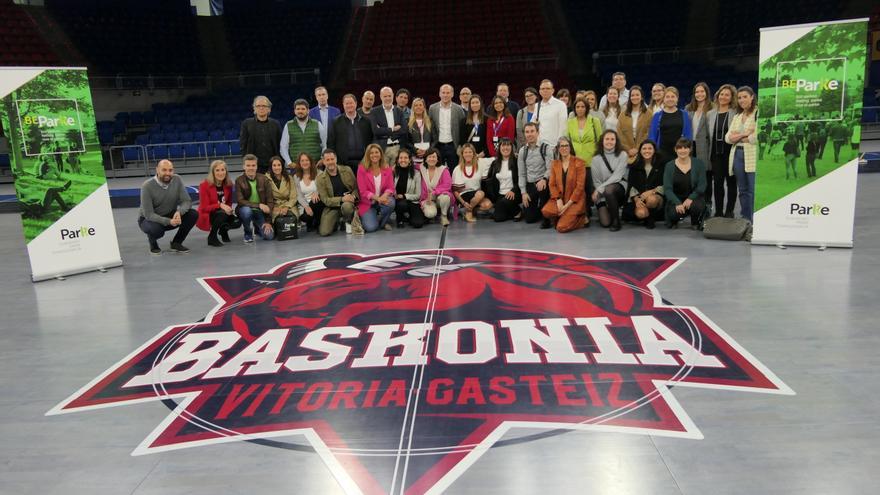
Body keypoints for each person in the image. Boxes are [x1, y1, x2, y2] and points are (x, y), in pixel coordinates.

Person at [138, 159, 198, 254]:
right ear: (157, 170)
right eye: (164, 170)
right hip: (148, 219)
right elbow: (148, 214)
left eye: (170, 170)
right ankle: (153, 242)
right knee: (156, 230)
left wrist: (179, 212)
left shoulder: (177, 179)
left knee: (193, 214)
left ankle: (176, 243)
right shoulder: (147, 186)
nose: (168, 173)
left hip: (170, 214)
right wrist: (168, 221)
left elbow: (186, 201)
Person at [703, 84, 737, 217]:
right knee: (717, 184)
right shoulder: (710, 114)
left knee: (731, 183)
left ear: (731, 97)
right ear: (717, 96)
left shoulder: (735, 113)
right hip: (715, 154)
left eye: (727, 95)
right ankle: (718, 212)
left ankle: (729, 211)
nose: (723, 97)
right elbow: (707, 136)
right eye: (721, 94)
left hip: (731, 153)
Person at [725, 86, 758, 222]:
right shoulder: (737, 116)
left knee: (752, 189)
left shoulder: (758, 113)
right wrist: (745, 133)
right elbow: (728, 138)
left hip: (752, 156)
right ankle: (746, 218)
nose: (742, 100)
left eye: (745, 96)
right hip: (737, 155)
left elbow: (757, 137)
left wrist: (739, 136)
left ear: (752, 97)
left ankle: (755, 218)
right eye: (739, 97)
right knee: (743, 189)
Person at [542, 136, 587, 232]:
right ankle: (565, 216)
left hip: (575, 200)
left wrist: (566, 206)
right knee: (545, 211)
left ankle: (582, 219)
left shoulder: (579, 163)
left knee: (561, 227)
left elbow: (580, 187)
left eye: (566, 146)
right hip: (561, 199)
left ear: (570, 147)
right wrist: (558, 200)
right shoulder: (555, 164)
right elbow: (552, 185)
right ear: (558, 149)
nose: (564, 148)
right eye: (561, 146)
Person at [316, 149, 363, 236]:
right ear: (323, 161)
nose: (330, 162)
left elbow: (356, 188)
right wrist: (342, 199)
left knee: (347, 206)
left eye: (332, 159)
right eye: (327, 160)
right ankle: (338, 222)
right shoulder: (320, 179)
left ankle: (348, 221)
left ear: (336, 159)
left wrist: (353, 196)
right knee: (324, 232)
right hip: (332, 207)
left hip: (348, 204)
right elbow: (326, 200)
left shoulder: (347, 170)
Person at [663, 138, 707, 229]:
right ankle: (675, 220)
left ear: (690, 149)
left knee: (697, 207)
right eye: (679, 148)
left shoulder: (699, 164)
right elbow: (667, 189)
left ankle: (695, 221)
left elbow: (702, 185)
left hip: (694, 198)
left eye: (685, 147)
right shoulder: (669, 166)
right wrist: (677, 203)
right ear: (675, 149)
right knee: (673, 214)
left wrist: (691, 198)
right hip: (676, 198)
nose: (682, 150)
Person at [518, 122, 555, 227]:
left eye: (532, 131)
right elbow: (521, 174)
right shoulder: (522, 151)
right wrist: (523, 193)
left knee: (542, 188)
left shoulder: (546, 148)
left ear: (537, 132)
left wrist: (544, 179)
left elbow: (550, 168)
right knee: (529, 219)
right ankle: (541, 209)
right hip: (530, 184)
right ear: (524, 134)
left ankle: (546, 215)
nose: (530, 134)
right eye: (527, 132)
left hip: (543, 183)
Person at [590, 130, 628, 231]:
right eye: (607, 139)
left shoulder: (623, 155)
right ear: (602, 141)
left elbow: (617, 176)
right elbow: (596, 181)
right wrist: (600, 194)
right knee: (605, 222)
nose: (609, 142)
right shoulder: (595, 159)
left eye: (612, 139)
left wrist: (599, 190)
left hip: (619, 187)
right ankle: (610, 210)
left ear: (616, 141)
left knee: (609, 190)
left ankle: (616, 221)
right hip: (602, 192)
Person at [622, 140, 665, 229]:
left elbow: (665, 184)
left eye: (650, 148)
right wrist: (636, 199)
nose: (647, 151)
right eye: (644, 149)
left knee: (651, 199)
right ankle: (648, 217)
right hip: (640, 197)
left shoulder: (662, 165)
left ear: (654, 150)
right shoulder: (634, 166)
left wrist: (651, 192)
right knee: (641, 214)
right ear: (640, 151)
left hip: (657, 197)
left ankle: (651, 219)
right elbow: (631, 185)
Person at [327, 93, 373, 172]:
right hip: (343, 164)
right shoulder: (336, 122)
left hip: (363, 163)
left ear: (356, 103)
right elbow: (331, 143)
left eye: (351, 103)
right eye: (346, 103)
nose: (349, 105)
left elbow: (370, 140)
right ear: (343, 105)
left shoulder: (366, 121)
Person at [234, 154, 275, 242]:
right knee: (247, 212)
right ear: (244, 167)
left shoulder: (264, 179)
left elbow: (270, 200)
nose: (251, 168)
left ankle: (257, 228)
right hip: (245, 210)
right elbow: (240, 201)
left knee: (269, 236)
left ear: (257, 166)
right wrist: (259, 205)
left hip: (259, 212)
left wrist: (268, 222)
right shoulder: (239, 180)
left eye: (253, 165)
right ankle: (248, 233)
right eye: (248, 165)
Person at [197, 159, 238, 247]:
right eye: (217, 170)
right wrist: (220, 205)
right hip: (209, 213)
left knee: (237, 221)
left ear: (226, 171)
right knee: (222, 214)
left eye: (223, 170)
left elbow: (229, 202)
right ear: (213, 172)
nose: (220, 173)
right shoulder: (204, 185)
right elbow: (204, 207)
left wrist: (229, 210)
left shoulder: (228, 185)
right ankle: (212, 237)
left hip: (222, 211)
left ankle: (223, 231)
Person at [357, 143, 396, 232]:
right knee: (371, 228)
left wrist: (384, 195)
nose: (374, 155)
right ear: (368, 155)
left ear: (381, 154)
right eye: (371, 153)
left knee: (391, 203)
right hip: (367, 203)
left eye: (376, 152)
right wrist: (378, 198)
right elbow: (363, 191)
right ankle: (380, 221)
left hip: (382, 199)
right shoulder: (361, 169)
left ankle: (382, 223)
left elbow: (391, 188)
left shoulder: (387, 169)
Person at [239, 95, 282, 174]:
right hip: (254, 166)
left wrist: (279, 162)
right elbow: (243, 145)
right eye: (258, 106)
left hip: (272, 165)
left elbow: (280, 144)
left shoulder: (276, 124)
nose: (261, 108)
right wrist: (246, 162)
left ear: (269, 108)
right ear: (254, 108)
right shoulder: (246, 123)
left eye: (264, 106)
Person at [688, 82, 714, 207]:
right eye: (697, 92)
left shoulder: (713, 108)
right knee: (693, 177)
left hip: (705, 146)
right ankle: (694, 204)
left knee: (706, 177)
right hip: (691, 147)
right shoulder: (689, 108)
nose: (699, 94)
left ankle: (707, 204)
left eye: (702, 91)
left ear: (707, 93)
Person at [649, 86, 693, 160]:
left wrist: (686, 151)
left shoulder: (684, 114)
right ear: (664, 99)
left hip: (681, 153)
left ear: (677, 99)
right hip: (661, 154)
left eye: (673, 96)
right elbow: (652, 137)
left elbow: (688, 135)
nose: (670, 99)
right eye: (667, 97)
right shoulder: (657, 115)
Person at [452, 143, 492, 222]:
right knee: (481, 193)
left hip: (476, 195)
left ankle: (468, 210)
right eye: (465, 152)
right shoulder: (458, 168)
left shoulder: (479, 164)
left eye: (470, 152)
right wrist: (463, 203)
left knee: (488, 205)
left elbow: (493, 159)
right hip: (463, 196)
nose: (468, 154)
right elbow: (455, 191)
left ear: (474, 154)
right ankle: (468, 211)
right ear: (462, 154)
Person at [428, 84, 466, 167]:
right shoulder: (432, 108)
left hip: (453, 146)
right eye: (443, 92)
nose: (445, 95)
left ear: (452, 94)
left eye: (448, 93)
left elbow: (463, 128)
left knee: (454, 171)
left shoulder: (458, 109)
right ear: (439, 94)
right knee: (438, 171)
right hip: (437, 146)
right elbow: (430, 128)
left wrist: (460, 146)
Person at [485, 137, 522, 222]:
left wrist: (513, 190)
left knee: (505, 202)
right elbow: (491, 181)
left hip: (514, 193)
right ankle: (511, 212)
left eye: (508, 145)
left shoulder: (516, 161)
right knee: (498, 218)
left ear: (511, 148)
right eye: (503, 145)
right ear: (499, 148)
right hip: (501, 194)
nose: (505, 148)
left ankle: (518, 212)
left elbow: (521, 178)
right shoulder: (495, 163)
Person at [281, 99, 324, 167]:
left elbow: (325, 144)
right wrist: (289, 162)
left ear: (308, 110)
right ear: (294, 111)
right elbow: (283, 147)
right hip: (296, 167)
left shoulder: (317, 124)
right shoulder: (288, 125)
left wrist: (322, 159)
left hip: (315, 166)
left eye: (303, 109)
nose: (300, 111)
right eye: (298, 109)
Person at [370, 86, 407, 164]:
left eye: (389, 96)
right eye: (385, 96)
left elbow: (403, 130)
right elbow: (376, 131)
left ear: (393, 96)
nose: (387, 98)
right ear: (380, 97)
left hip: (397, 148)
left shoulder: (399, 111)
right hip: (382, 149)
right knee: (383, 174)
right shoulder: (374, 111)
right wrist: (392, 129)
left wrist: (384, 131)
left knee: (396, 174)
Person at [617, 85, 651, 164]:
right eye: (632, 95)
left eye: (637, 95)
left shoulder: (648, 113)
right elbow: (619, 133)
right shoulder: (623, 114)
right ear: (629, 98)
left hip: (644, 150)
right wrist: (628, 149)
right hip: (626, 152)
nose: (634, 97)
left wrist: (638, 148)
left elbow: (648, 132)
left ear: (641, 97)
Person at [266, 155, 299, 238]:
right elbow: (266, 198)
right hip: (274, 207)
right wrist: (274, 208)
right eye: (274, 165)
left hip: (288, 205)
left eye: (279, 165)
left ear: (282, 166)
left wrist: (286, 207)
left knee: (290, 216)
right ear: (271, 167)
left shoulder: (289, 177)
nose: (277, 168)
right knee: (271, 233)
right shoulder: (266, 179)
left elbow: (293, 196)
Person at [420, 148, 453, 226]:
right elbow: (409, 165)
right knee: (430, 214)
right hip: (427, 199)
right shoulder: (421, 168)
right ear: (425, 159)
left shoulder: (443, 170)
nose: (432, 159)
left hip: (439, 198)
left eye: (434, 157)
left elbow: (447, 185)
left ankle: (443, 215)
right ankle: (434, 212)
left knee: (445, 197)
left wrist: (434, 192)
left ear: (437, 159)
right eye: (429, 157)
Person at [392, 149, 425, 228]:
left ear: (410, 160)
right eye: (401, 158)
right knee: (401, 204)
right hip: (398, 202)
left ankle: (408, 217)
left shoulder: (416, 174)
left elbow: (418, 195)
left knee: (418, 224)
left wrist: (404, 196)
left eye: (406, 158)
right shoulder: (393, 172)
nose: (403, 160)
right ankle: (400, 219)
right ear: (397, 160)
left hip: (412, 201)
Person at [531, 79, 568, 146]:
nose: (545, 90)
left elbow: (563, 128)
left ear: (552, 90)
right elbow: (532, 125)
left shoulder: (561, 105)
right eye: (543, 89)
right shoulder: (537, 106)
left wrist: (559, 145)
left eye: (548, 88)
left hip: (554, 146)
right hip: (539, 146)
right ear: (539, 91)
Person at [293, 152, 323, 232]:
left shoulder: (319, 173)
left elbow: (323, 187)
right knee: (304, 217)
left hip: (318, 202)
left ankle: (316, 222)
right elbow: (299, 195)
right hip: (305, 204)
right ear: (299, 163)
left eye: (307, 160)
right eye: (302, 160)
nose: (305, 162)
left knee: (316, 201)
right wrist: (306, 206)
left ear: (310, 161)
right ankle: (312, 221)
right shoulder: (296, 177)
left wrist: (317, 192)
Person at [567, 97, 603, 163]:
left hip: (592, 160)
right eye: (577, 107)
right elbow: (567, 141)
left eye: (583, 107)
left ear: (587, 108)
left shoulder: (595, 121)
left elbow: (600, 141)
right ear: (574, 109)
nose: (580, 109)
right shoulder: (570, 123)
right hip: (575, 160)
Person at [408, 97, 434, 166]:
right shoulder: (407, 122)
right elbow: (406, 141)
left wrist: (428, 151)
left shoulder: (430, 121)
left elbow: (435, 139)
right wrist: (416, 150)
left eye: (420, 105)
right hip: (414, 155)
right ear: (413, 108)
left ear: (424, 107)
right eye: (416, 105)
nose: (418, 107)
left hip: (429, 155)